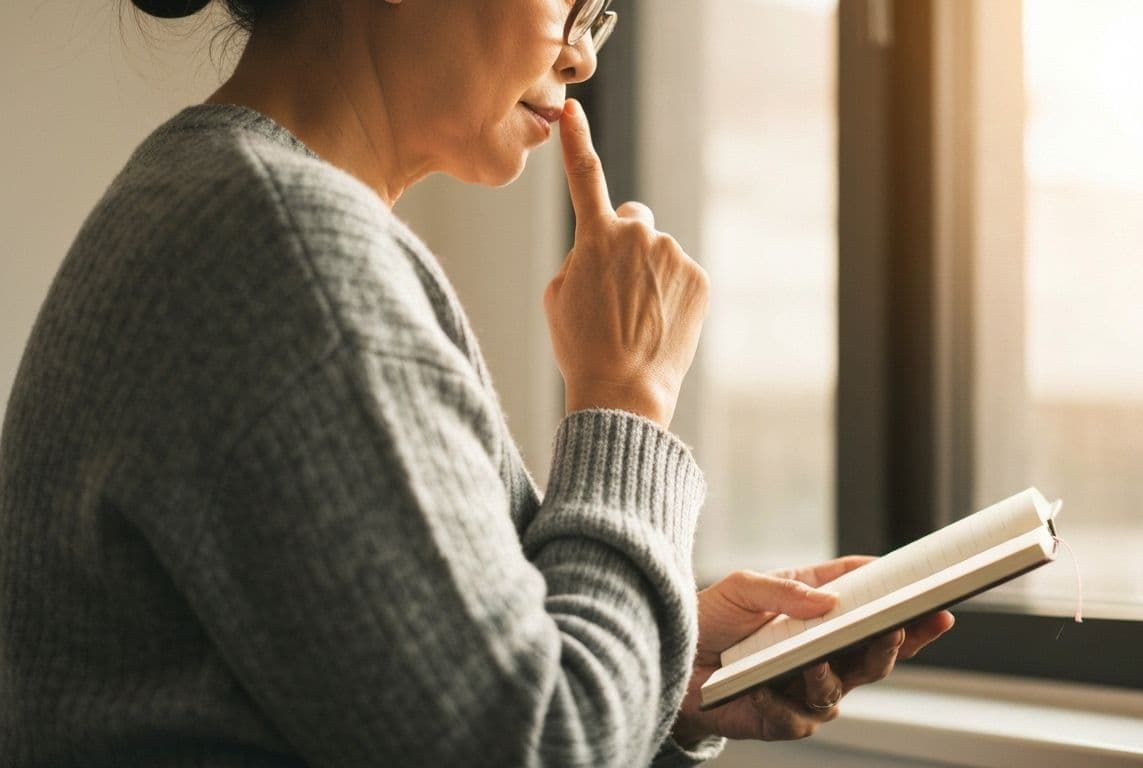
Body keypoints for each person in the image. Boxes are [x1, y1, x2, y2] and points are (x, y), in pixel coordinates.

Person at [0, 0, 955, 765]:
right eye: (572, 2)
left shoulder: (241, 203)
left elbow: (425, 687)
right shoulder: (286, 245)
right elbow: (537, 744)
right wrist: (625, 399)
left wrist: (675, 665)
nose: (582, 56)